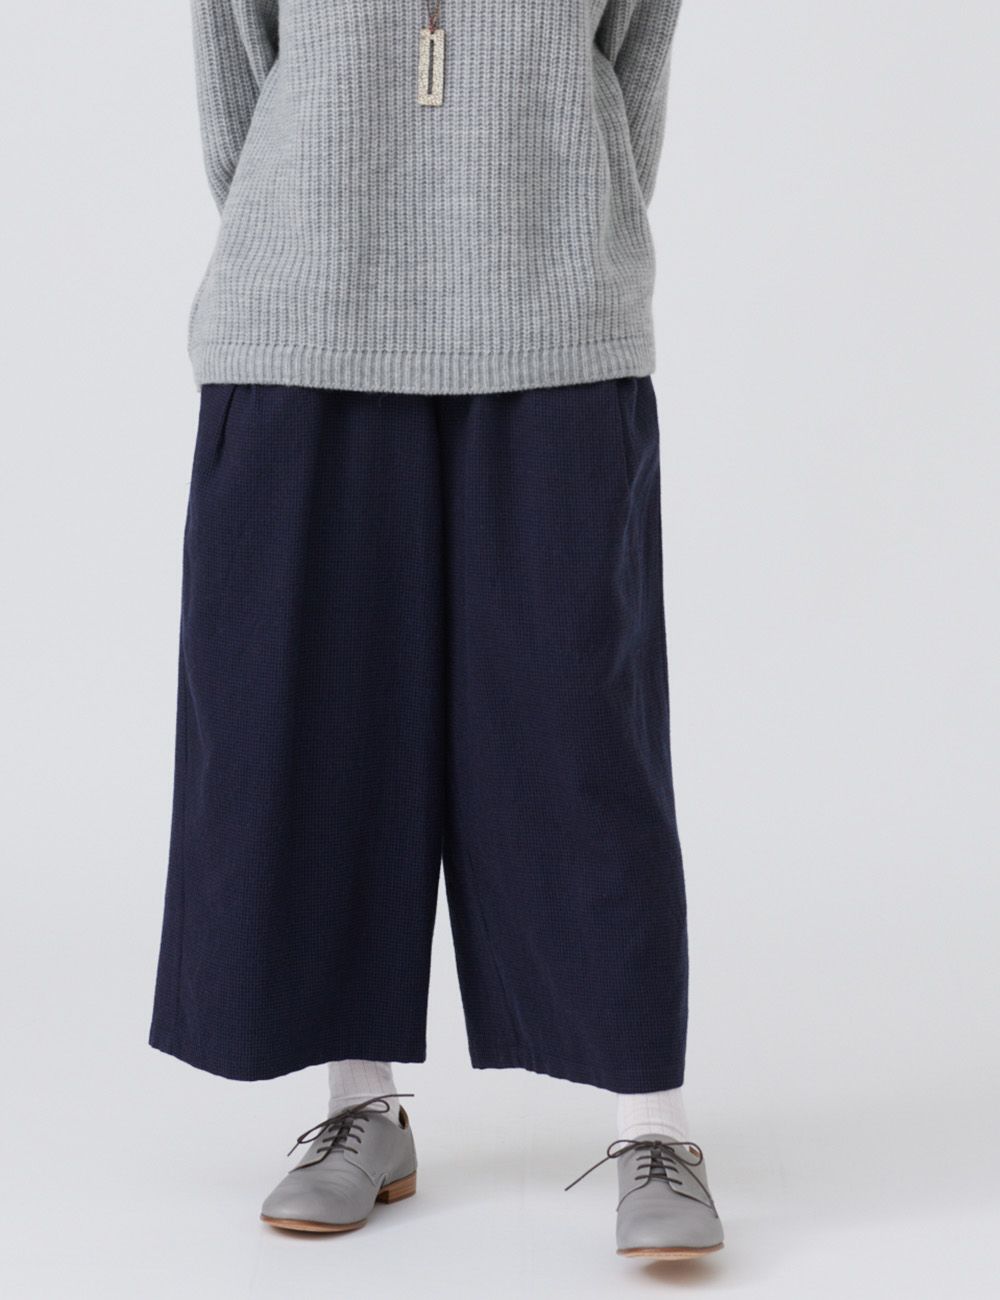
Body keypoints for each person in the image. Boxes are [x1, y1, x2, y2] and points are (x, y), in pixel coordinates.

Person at [150, 0, 723, 1261]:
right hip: (302, 316)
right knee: (314, 730)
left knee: (582, 737)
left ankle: (651, 1121)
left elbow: (631, 74)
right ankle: (359, 1105)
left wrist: (554, 231)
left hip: (554, 319)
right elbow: (235, 84)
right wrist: (319, 227)